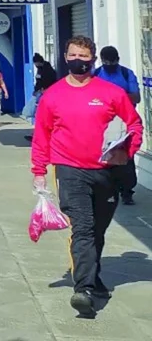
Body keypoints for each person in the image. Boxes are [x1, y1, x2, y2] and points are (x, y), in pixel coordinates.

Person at [31, 36, 143, 317]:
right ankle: (83, 290)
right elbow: (41, 136)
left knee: (97, 230)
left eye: (83, 56)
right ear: (65, 57)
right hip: (69, 171)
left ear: (92, 60)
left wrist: (127, 151)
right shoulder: (53, 95)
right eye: (72, 55)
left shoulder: (111, 92)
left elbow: (134, 124)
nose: (77, 60)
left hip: (105, 172)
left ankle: (93, 277)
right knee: (82, 228)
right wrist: (39, 172)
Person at [94, 45, 141, 206]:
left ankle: (127, 191)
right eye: (107, 61)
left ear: (118, 60)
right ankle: (109, 190)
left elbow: (136, 97)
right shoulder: (96, 75)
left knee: (126, 158)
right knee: (105, 158)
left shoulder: (127, 74)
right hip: (103, 122)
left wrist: (114, 97)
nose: (110, 64)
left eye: (112, 61)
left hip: (125, 121)